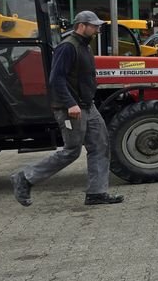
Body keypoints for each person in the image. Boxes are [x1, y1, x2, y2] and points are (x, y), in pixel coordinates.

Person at [11, 10, 125, 206]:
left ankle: (96, 193)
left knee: (100, 145)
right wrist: (70, 104)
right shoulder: (67, 47)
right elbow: (56, 79)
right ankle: (25, 177)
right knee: (72, 150)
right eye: (94, 26)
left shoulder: (84, 46)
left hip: (88, 107)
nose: (97, 29)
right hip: (70, 109)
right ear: (81, 25)